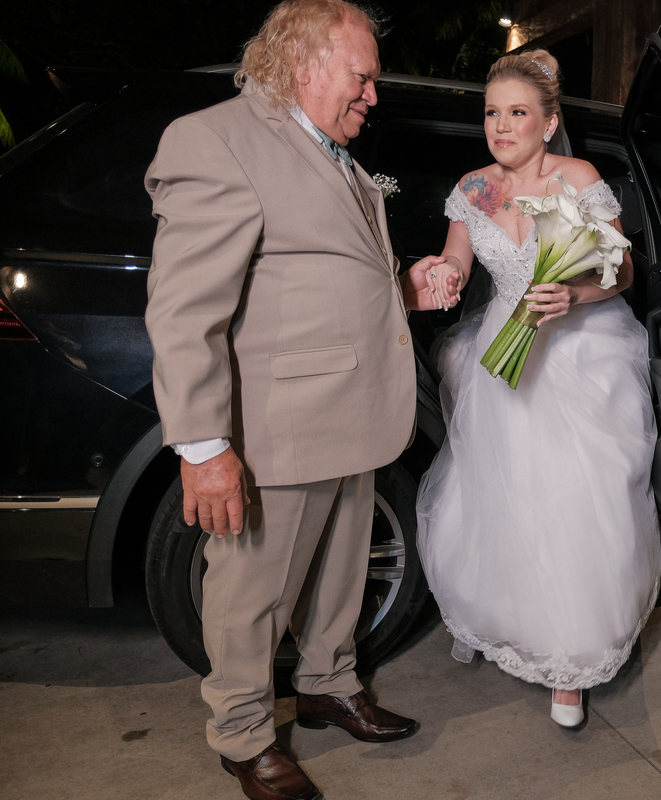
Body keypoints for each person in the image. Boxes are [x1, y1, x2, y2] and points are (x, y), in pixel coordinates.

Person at [143, 2, 441, 798]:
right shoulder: (216, 140)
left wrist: (404, 286)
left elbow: (325, 274)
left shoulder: (333, 153)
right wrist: (204, 447)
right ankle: (242, 734)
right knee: (253, 593)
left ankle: (328, 685)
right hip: (280, 426)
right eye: (362, 77)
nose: (373, 95)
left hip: (355, 413)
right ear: (304, 64)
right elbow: (184, 310)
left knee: (342, 570)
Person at [415, 50, 661, 728]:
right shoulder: (473, 189)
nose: (500, 126)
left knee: (575, 502)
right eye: (491, 113)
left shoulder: (576, 179)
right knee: (504, 494)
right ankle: (501, 617)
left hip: (581, 352)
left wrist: (574, 295)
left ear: (548, 123)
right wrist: (445, 275)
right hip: (504, 351)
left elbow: (620, 270)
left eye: (516, 112)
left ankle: (570, 666)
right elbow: (458, 259)